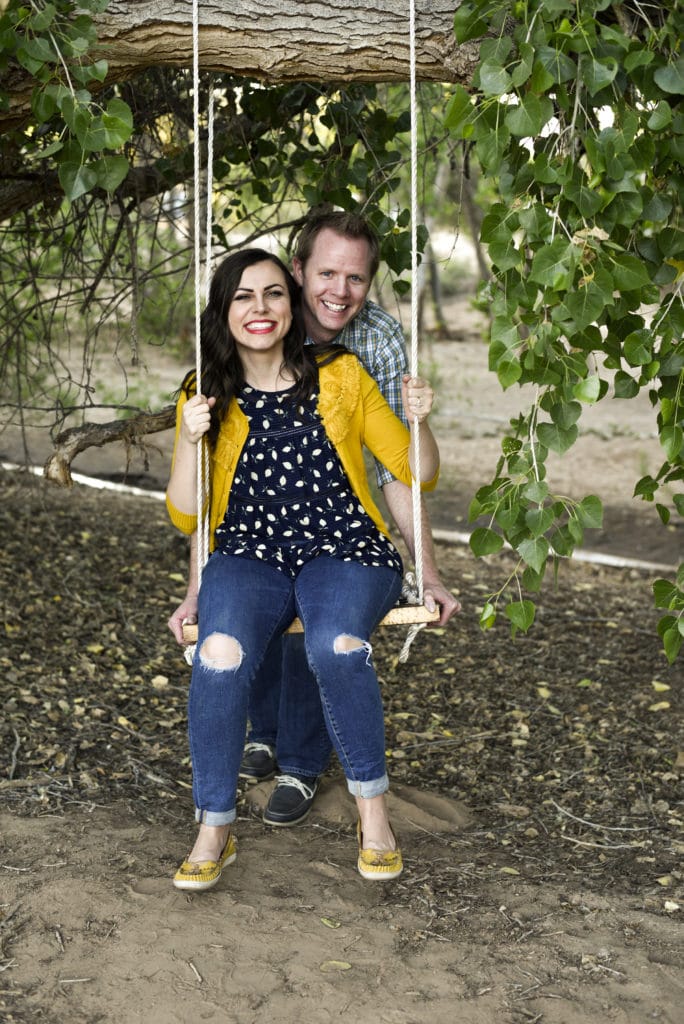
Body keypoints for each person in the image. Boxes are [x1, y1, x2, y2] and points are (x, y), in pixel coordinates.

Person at [168, 211, 460, 826]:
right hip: (258, 538)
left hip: (338, 524)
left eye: (355, 278)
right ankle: (259, 743)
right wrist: (196, 584)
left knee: (325, 621)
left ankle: (302, 764)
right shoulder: (226, 361)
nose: (339, 291)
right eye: (326, 273)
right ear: (300, 273)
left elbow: (401, 471)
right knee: (246, 605)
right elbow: (214, 490)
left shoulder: (366, 347)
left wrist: (427, 571)